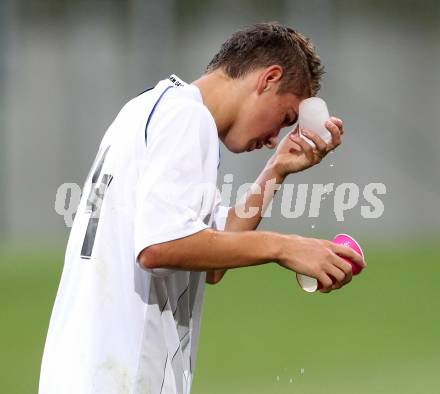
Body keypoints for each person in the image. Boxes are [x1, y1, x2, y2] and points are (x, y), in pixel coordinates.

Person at [39, 22, 365, 394]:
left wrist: (276, 169)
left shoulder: (149, 109)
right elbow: (159, 247)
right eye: (286, 117)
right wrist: (287, 247)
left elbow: (211, 260)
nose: (276, 135)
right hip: (118, 377)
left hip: (85, 371)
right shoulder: (186, 119)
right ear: (269, 78)